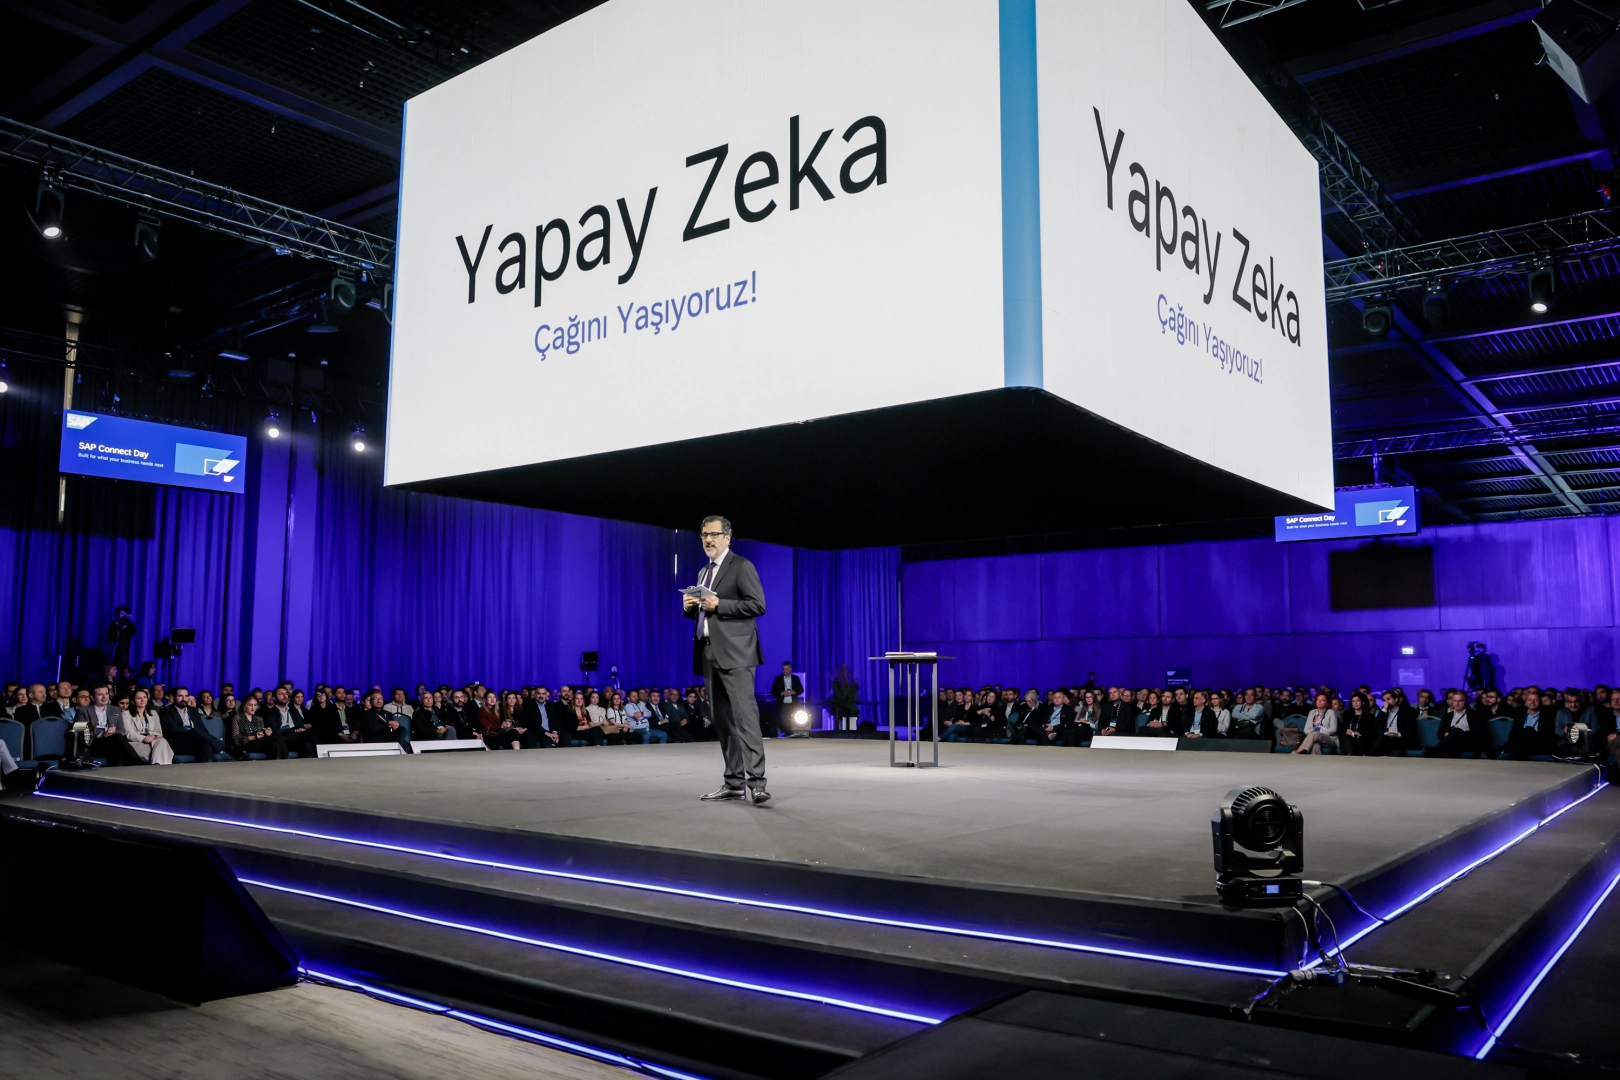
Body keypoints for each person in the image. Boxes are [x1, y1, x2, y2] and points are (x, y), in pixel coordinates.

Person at [683, 515, 769, 803]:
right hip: (709, 652)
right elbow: (705, 613)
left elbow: (757, 605)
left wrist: (719, 603)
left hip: (737, 654)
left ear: (727, 538)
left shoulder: (741, 566)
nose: (708, 539)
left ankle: (757, 784)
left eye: (714, 534)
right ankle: (733, 782)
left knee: (745, 719)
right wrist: (689, 607)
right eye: (704, 535)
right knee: (722, 721)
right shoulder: (703, 572)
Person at [85, 682, 144, 766]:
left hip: (111, 743)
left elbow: (121, 730)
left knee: (117, 747)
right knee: (117, 739)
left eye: (106, 694)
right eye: (100, 694)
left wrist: (112, 732)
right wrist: (103, 734)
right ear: (92, 697)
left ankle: (119, 772)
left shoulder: (115, 710)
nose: (104, 697)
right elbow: (82, 732)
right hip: (93, 744)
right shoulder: (84, 711)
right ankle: (139, 763)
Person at [159, 686, 217, 763]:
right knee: (195, 731)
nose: (184, 699)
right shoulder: (166, 711)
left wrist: (195, 733)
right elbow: (172, 730)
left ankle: (206, 769)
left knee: (206, 746)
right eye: (180, 696)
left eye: (186, 696)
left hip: (195, 743)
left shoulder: (193, 710)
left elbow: (203, 729)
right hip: (177, 744)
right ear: (174, 697)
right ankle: (222, 747)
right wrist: (191, 732)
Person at [121, 687, 174, 764]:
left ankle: (157, 765)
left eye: (144, 697)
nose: (142, 700)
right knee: (163, 746)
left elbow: (159, 732)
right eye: (139, 698)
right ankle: (160, 766)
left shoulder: (153, 713)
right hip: (136, 744)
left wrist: (153, 737)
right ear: (133, 701)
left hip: (154, 742)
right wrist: (146, 738)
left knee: (162, 742)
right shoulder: (126, 714)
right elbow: (130, 734)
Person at [1428, 689, 1485, 758]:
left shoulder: (1474, 715)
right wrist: (1445, 734)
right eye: (1455, 701)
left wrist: (1460, 733)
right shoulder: (1447, 716)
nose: (1457, 703)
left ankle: (1434, 750)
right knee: (1449, 746)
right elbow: (1440, 733)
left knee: (1457, 731)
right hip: (1452, 742)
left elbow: (1478, 733)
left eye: (1460, 701)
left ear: (1465, 701)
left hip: (1468, 742)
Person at [1501, 687, 1554, 761]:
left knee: (1528, 730)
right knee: (1519, 742)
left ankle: (1503, 748)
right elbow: (1513, 733)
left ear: (1540, 702)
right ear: (1526, 701)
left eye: (1536, 700)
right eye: (1530, 700)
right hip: (1522, 744)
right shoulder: (1520, 713)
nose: (1532, 702)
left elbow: (1549, 735)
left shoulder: (1548, 714)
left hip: (1539, 743)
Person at [1369, 689, 1416, 756]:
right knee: (1381, 738)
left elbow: (1410, 730)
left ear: (1396, 699)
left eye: (1388, 699)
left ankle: (1370, 756)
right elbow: (1377, 724)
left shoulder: (1406, 712)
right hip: (1386, 738)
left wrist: (1397, 734)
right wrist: (1384, 709)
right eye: (1384, 700)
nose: (1386, 702)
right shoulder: (1384, 712)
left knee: (1383, 739)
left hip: (1400, 738)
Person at [770, 662, 803, 738]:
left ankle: (792, 732)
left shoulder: (795, 678)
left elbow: (801, 689)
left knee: (793, 718)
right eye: (784, 669)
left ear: (790, 669)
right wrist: (781, 693)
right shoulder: (778, 679)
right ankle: (787, 732)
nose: (785, 671)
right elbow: (773, 690)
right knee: (784, 719)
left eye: (787, 669)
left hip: (793, 703)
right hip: (783, 704)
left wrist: (794, 692)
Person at [106, 605, 137, 669]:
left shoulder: (129, 624)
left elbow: (132, 633)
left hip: (124, 648)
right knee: (111, 664)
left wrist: (126, 628)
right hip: (114, 647)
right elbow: (108, 635)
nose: (122, 615)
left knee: (123, 665)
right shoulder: (113, 623)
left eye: (124, 614)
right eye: (121, 613)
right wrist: (114, 634)